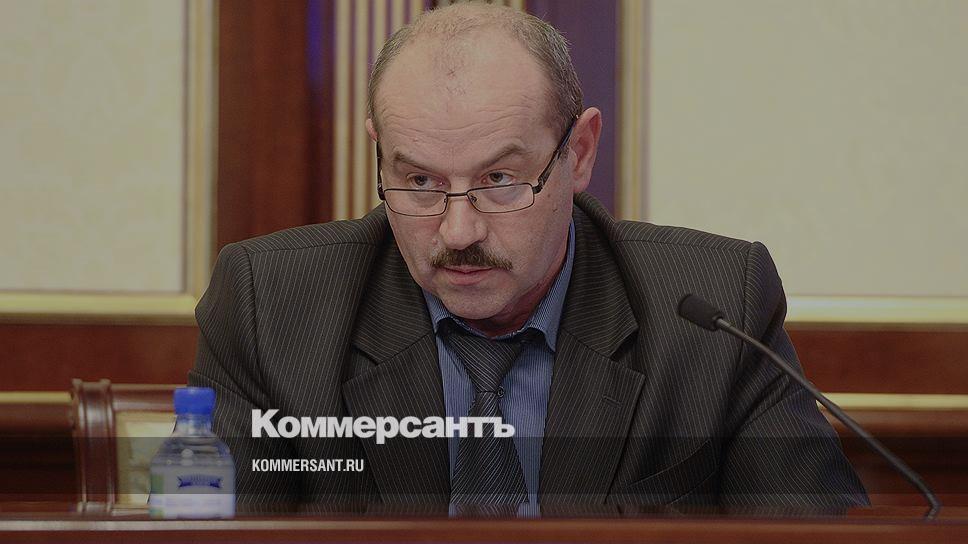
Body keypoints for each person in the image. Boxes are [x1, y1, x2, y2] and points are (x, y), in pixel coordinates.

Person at [189, 1, 867, 510]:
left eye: (499, 180)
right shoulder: (271, 307)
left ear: (580, 153)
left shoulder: (713, 312)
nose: (458, 232)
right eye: (420, 181)